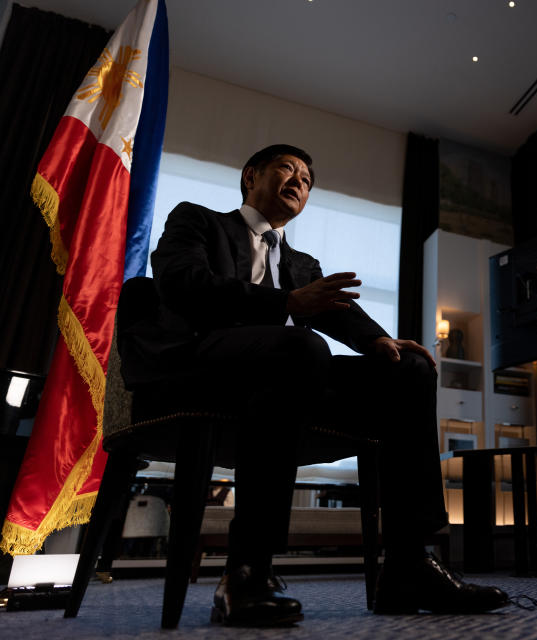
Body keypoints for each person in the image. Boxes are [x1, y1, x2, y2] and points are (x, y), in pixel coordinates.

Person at [144, 144, 508, 626]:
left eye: (308, 180)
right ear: (251, 175)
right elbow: (182, 285)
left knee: (409, 370)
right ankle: (248, 569)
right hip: (205, 368)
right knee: (301, 347)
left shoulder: (302, 264)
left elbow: (339, 314)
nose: (299, 181)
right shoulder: (197, 221)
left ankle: (409, 564)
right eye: (287, 169)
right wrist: (288, 304)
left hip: (287, 379)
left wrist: (381, 340)